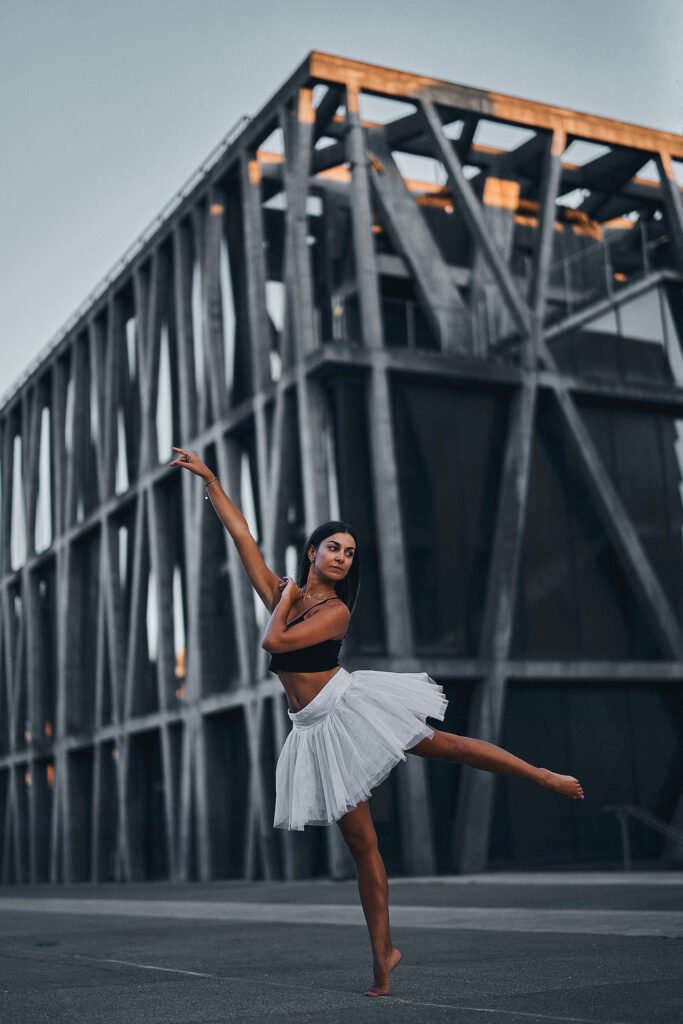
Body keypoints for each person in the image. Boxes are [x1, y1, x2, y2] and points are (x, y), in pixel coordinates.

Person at [170, 446, 584, 997]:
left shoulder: (333, 611)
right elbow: (243, 536)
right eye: (333, 548)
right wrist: (212, 481)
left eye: (350, 553)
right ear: (313, 551)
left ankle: (542, 776)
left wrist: (286, 594)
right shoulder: (283, 594)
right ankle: (383, 955)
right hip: (314, 731)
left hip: (351, 709)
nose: (342, 558)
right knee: (364, 848)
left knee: (452, 746)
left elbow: (274, 640)